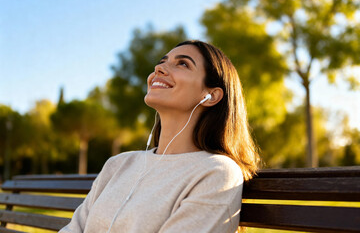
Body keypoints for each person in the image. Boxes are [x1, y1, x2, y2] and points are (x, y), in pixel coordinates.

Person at [59, 40, 259, 233]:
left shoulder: (217, 173)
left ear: (211, 96)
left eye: (183, 64)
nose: (159, 69)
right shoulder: (118, 164)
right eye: (162, 62)